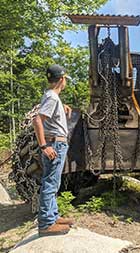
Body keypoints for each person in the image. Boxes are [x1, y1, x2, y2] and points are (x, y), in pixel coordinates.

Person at [33, 64, 74, 236]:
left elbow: (49, 113)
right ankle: (46, 224)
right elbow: (37, 120)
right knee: (50, 183)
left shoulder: (52, 97)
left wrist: (62, 107)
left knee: (54, 182)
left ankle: (53, 216)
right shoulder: (51, 98)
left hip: (57, 143)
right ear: (62, 79)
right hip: (54, 145)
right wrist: (44, 146)